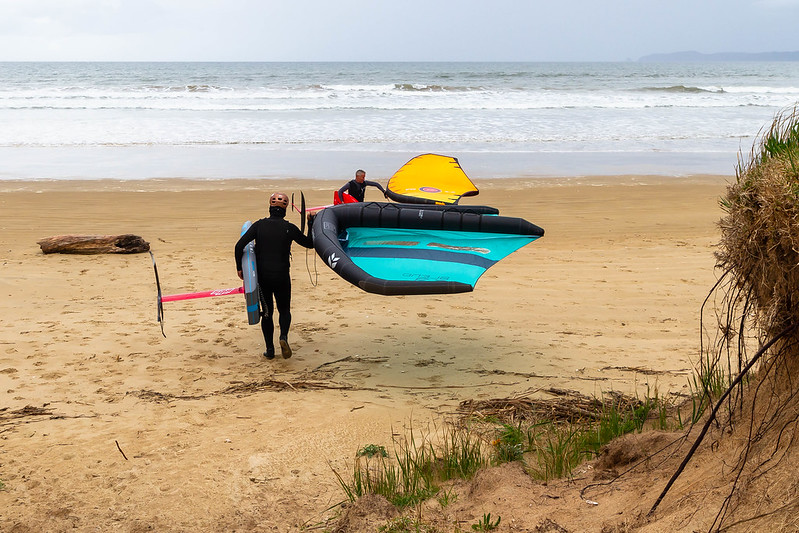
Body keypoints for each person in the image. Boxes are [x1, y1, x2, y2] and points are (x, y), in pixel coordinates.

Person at [235, 192, 313, 360]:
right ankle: (283, 337)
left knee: (267, 312)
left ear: (270, 208)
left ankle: (270, 350)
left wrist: (240, 268)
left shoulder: (259, 226)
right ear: (284, 210)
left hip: (263, 278)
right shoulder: (289, 228)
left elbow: (239, 246)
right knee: (284, 310)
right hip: (282, 276)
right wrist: (311, 223)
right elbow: (310, 244)